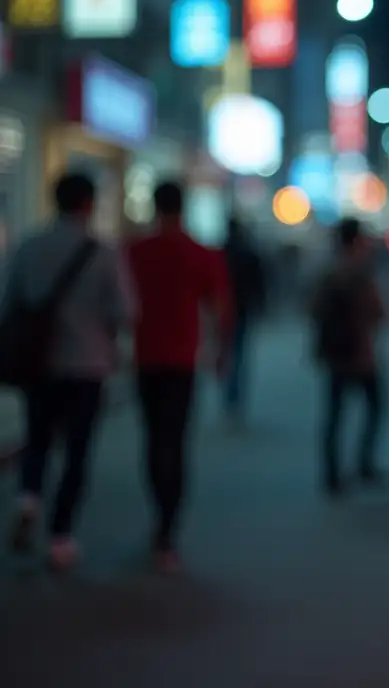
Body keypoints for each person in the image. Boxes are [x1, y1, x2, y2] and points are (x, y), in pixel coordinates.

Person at [4, 172, 135, 570]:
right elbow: (125, 311)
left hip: (39, 364)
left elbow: (9, 302)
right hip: (86, 365)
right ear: (89, 204)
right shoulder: (103, 252)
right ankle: (60, 537)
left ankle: (28, 498)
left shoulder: (29, 246)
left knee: (37, 437)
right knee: (77, 452)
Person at [126, 181, 231, 571]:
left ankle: (160, 515)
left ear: (154, 206)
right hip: (183, 360)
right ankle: (168, 530)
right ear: (183, 208)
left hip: (146, 358)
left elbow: (120, 303)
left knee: (154, 440)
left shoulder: (136, 251)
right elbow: (220, 307)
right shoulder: (200, 253)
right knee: (177, 439)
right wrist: (221, 352)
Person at [310, 217, 386, 496]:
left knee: (334, 413)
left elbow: (313, 308)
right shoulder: (359, 269)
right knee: (376, 406)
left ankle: (331, 474)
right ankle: (364, 463)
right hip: (359, 351)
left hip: (335, 353)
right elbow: (377, 311)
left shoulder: (328, 270)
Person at [222, 217, 266, 422]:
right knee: (239, 355)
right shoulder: (248, 253)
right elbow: (259, 283)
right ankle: (234, 397)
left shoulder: (222, 252)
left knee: (229, 353)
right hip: (242, 310)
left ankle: (230, 395)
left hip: (225, 310)